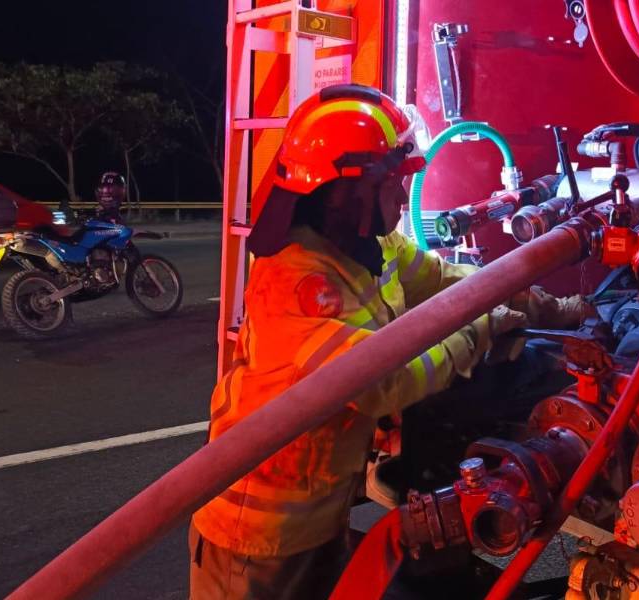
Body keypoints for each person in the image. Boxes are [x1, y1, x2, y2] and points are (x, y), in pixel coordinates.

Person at [188, 84, 585, 600]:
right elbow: (387, 381)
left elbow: (451, 280)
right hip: (258, 535)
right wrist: (484, 327)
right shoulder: (298, 284)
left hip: (316, 514)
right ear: (348, 192)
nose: (403, 195)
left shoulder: (372, 245)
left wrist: (545, 305)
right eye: (394, 182)